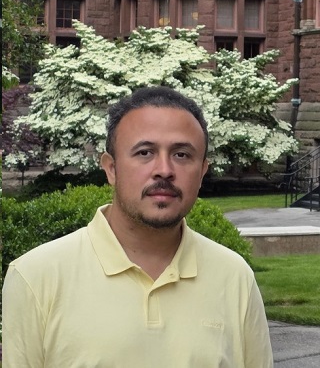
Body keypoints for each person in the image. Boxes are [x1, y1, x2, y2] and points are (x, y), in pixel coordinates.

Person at [2, 86, 274, 367]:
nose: (164, 170)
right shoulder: (36, 277)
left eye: (181, 155)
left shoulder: (234, 277)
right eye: (145, 152)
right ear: (111, 168)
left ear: (202, 171)